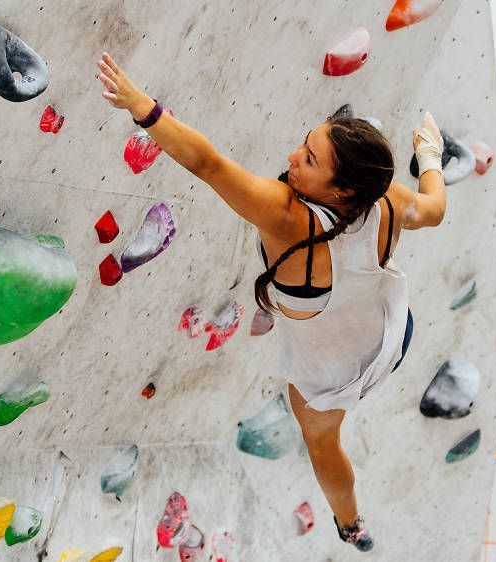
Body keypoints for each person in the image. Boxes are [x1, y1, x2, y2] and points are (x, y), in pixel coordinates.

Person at [97, 52, 446, 552]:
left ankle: (352, 524)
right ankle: (350, 526)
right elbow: (433, 209)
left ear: (343, 188)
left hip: (330, 371)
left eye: (308, 160)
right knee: (326, 440)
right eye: (305, 145)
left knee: (321, 443)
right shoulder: (385, 198)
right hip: (392, 330)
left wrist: (141, 106)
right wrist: (429, 153)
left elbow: (208, 164)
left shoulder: (287, 218)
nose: (290, 157)